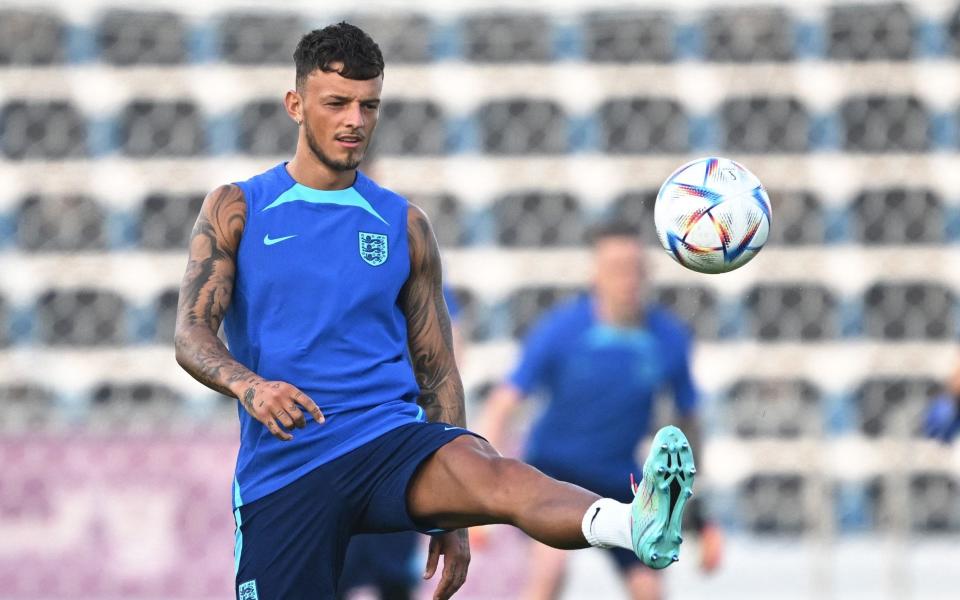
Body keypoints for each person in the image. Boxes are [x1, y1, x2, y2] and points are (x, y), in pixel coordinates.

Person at [173, 22, 696, 600]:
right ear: (295, 105)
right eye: (337, 103)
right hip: (288, 467)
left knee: (495, 474)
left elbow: (438, 369)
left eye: (369, 106)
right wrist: (253, 389)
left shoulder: (405, 225)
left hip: (387, 441)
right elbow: (192, 333)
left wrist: (455, 519)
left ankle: (634, 522)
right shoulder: (239, 206)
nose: (355, 120)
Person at [479, 222, 723, 600]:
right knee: (549, 569)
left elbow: (689, 425)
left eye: (633, 268)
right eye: (615, 268)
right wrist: (483, 495)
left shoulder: (669, 338)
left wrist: (699, 513)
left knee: (649, 589)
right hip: (553, 473)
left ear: (646, 273)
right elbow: (502, 404)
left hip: (618, 477)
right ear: (595, 274)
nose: (625, 279)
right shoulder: (561, 330)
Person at [336, 288, 464, 600]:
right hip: (343, 443)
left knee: (393, 577)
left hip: (397, 444)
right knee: (334, 573)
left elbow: (450, 357)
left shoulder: (424, 282)